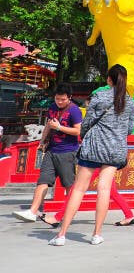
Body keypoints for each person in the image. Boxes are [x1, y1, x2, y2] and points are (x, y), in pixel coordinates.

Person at [48, 64, 134, 246]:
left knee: (79, 189)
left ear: (109, 79)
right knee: (104, 190)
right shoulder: (129, 101)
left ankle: (62, 234)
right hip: (114, 150)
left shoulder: (99, 96)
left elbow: (86, 123)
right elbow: (129, 128)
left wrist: (87, 133)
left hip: (94, 147)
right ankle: (96, 234)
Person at [13, 83, 82, 223]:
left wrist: (60, 127)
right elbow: (48, 126)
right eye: (57, 99)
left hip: (67, 152)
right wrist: (42, 141)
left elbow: (78, 131)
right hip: (51, 150)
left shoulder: (74, 111)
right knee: (43, 180)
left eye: (63, 99)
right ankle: (32, 211)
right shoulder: (52, 108)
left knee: (68, 184)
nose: (60, 102)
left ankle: (69, 213)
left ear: (69, 98)